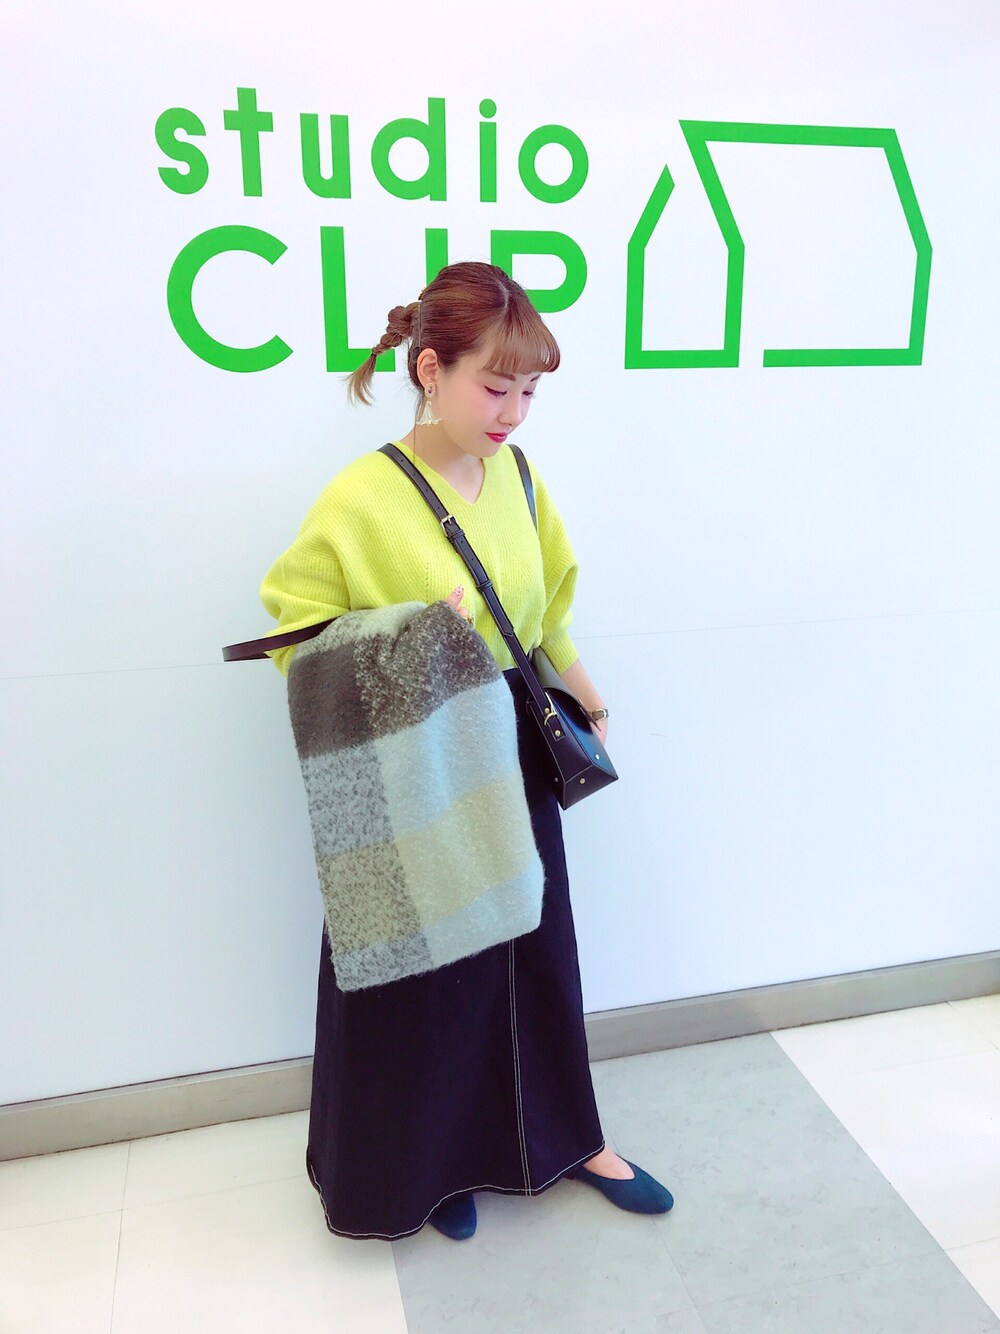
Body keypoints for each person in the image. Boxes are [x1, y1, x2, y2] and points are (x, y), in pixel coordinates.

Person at [259, 260, 674, 1241]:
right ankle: (433, 1172)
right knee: (420, 976)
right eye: (495, 386)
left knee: (534, 952)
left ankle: (572, 1141)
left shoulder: (519, 479)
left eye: (529, 391)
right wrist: (415, 638)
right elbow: (293, 637)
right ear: (430, 369)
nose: (513, 413)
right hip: (413, 756)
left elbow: (545, 611)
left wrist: (589, 696)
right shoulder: (360, 498)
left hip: (510, 743)